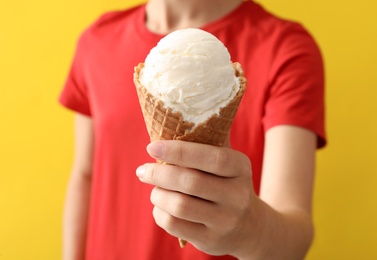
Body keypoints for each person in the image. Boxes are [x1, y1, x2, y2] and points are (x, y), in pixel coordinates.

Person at [59, 0, 326, 259]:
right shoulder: (97, 41)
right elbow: (85, 176)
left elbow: (294, 239)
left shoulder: (285, 47)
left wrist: (249, 229)